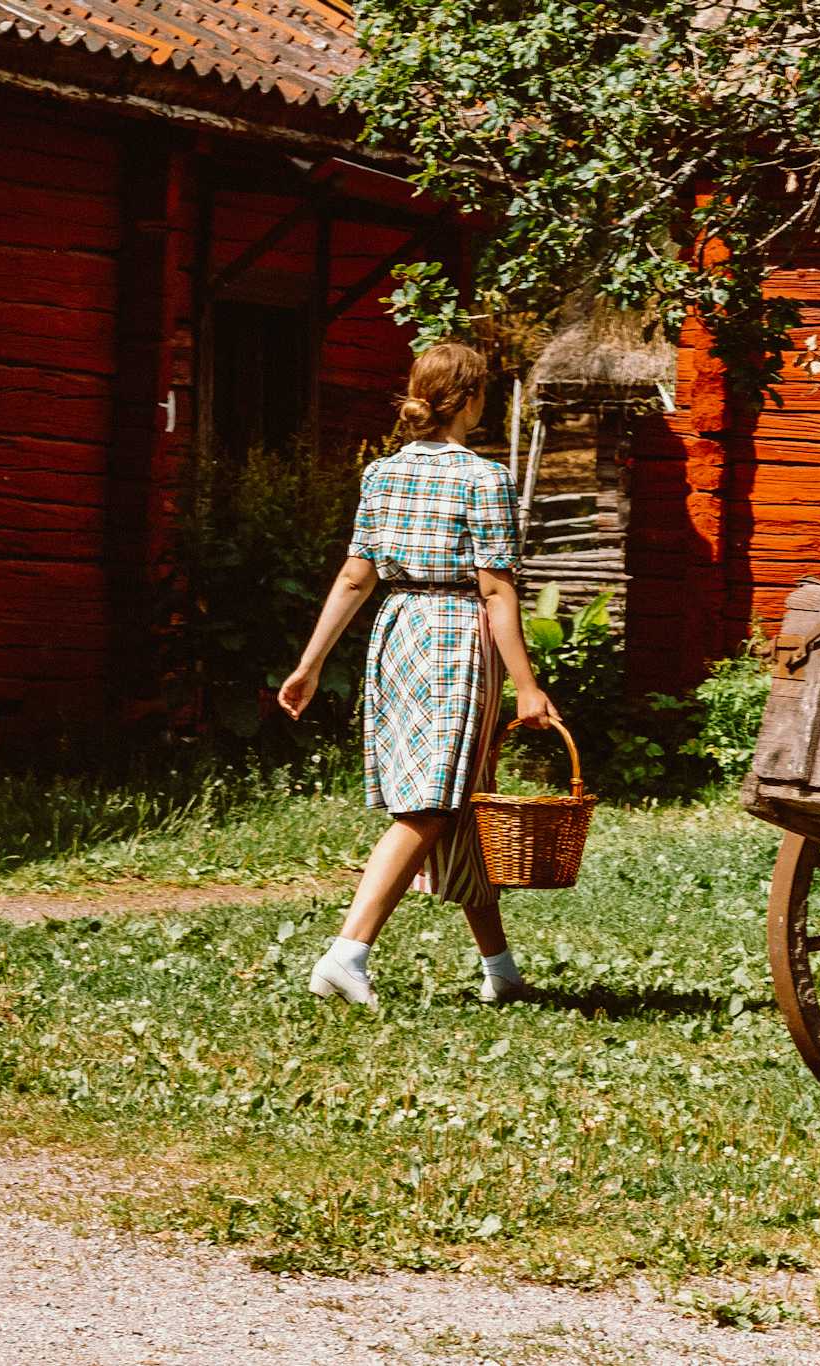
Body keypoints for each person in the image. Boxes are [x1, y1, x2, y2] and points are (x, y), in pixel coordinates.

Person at [278, 340, 558, 1008]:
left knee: (459, 798)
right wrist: (526, 684)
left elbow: (355, 575)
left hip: (398, 632)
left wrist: (309, 662)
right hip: (455, 637)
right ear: (468, 400)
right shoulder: (482, 478)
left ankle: (501, 971)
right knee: (431, 802)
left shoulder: (382, 475)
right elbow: (495, 591)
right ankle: (348, 954)